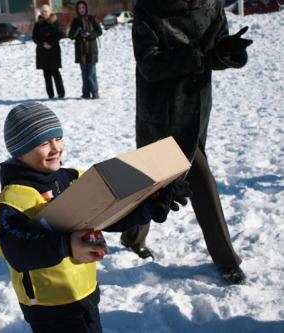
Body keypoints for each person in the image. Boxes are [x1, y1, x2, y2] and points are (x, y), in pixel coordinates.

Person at [0, 102, 156, 332]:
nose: (56, 148)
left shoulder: (72, 179)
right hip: (50, 306)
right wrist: (66, 245)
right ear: (20, 151)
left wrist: (148, 206)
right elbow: (17, 249)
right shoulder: (14, 199)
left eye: (58, 138)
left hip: (85, 291)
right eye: (44, 143)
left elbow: (107, 215)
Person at [122, 0, 253, 284]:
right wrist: (198, 56)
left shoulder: (210, 4)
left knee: (152, 178)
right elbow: (149, 65)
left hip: (195, 106)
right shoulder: (149, 8)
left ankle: (132, 236)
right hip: (161, 110)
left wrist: (230, 53)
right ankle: (227, 260)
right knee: (188, 176)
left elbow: (215, 49)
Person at [68, 1, 102, 99]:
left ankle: (95, 93)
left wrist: (90, 34)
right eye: (79, 8)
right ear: (77, 10)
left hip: (91, 49)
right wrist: (78, 32)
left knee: (91, 72)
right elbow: (70, 35)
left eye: (83, 7)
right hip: (80, 49)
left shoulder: (92, 18)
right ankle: (86, 93)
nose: (81, 9)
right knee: (84, 73)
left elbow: (99, 31)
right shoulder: (75, 21)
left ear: (86, 8)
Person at [32, 4, 66, 99]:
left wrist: (50, 43)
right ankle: (50, 94)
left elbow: (60, 34)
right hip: (42, 51)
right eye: (42, 12)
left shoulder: (55, 22)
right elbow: (34, 37)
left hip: (53, 50)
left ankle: (61, 93)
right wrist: (43, 43)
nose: (44, 13)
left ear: (49, 12)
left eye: (46, 11)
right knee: (46, 74)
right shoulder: (38, 24)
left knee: (55, 73)